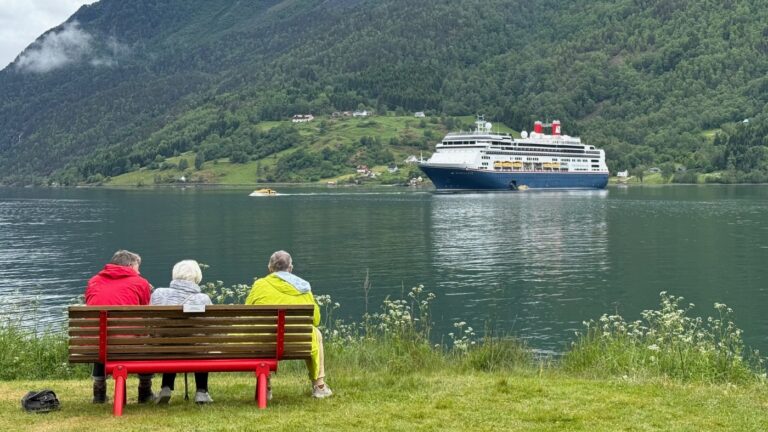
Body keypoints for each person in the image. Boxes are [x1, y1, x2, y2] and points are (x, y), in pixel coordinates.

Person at [245, 250, 332, 398]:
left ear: (270, 268)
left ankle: (265, 386)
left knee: (259, 331)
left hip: (265, 342)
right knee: (315, 333)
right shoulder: (303, 287)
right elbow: (316, 320)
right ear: (290, 268)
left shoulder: (259, 285)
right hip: (299, 341)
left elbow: (247, 314)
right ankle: (319, 385)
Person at [85, 249, 154, 404]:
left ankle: (99, 392)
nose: (139, 271)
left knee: (102, 337)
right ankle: (145, 390)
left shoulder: (93, 281)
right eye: (137, 267)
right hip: (130, 345)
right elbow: (146, 313)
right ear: (129, 266)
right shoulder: (140, 283)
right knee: (147, 340)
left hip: (97, 345)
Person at [150, 260, 213, 404]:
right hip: (195, 350)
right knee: (200, 344)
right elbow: (210, 330)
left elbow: (151, 323)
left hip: (162, 349)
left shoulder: (159, 293)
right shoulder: (202, 298)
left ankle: (166, 388)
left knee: (171, 341)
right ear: (197, 277)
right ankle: (201, 392)